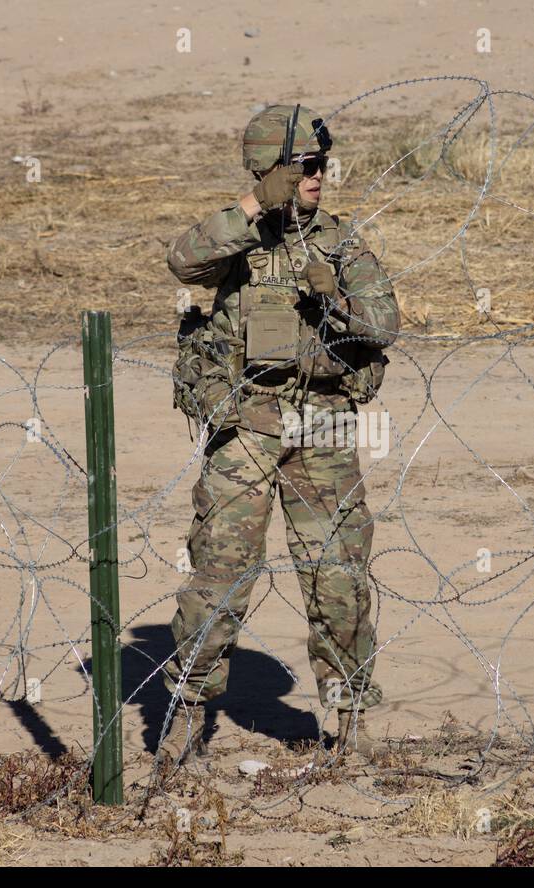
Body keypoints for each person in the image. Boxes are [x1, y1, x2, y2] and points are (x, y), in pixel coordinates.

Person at [159, 103, 399, 777]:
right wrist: (248, 209)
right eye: (306, 167)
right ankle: (185, 722)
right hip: (248, 421)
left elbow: (384, 325)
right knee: (221, 576)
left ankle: (351, 726)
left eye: (323, 165)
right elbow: (183, 261)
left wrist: (337, 302)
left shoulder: (339, 242)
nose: (320, 176)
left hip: (321, 422)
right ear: (273, 171)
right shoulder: (237, 240)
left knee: (339, 576)